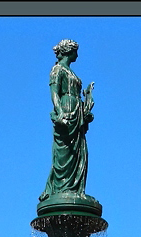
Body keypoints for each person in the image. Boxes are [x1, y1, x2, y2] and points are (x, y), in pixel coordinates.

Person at [41, 39, 95, 201]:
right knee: (65, 152)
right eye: (75, 51)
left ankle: (76, 189)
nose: (77, 54)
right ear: (69, 51)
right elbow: (54, 93)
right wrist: (59, 113)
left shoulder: (70, 72)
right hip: (66, 110)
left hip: (76, 111)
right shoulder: (57, 70)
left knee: (80, 152)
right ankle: (61, 188)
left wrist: (86, 99)